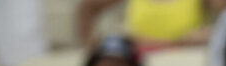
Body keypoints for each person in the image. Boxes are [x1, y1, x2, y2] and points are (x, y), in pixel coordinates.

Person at [77, 0, 214, 50]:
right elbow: (86, 8)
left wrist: (210, 33)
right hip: (138, 63)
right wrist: (91, 48)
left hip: (181, 61)